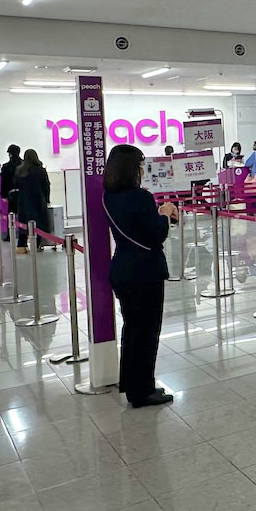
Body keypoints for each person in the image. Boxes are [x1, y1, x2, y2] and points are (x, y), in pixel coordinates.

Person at [103, 144, 178, 408]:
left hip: (122, 269)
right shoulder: (141, 197)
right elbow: (156, 234)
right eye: (140, 166)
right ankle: (143, 391)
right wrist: (165, 214)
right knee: (147, 332)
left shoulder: (108, 197)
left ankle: (132, 386)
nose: (142, 170)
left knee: (132, 330)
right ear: (132, 169)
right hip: (145, 271)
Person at [13, 149, 51, 254]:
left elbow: (15, 184)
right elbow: (46, 186)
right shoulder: (40, 170)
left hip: (23, 200)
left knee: (23, 223)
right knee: (38, 223)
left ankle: (21, 245)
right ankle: (37, 245)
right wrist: (47, 199)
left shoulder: (19, 170)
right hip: (37, 200)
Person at [0, 145, 23, 240]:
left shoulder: (6, 166)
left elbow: (4, 182)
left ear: (9, 154)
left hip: (11, 194)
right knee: (23, 214)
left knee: (11, 215)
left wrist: (3, 194)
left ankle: (10, 235)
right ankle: (23, 234)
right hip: (23, 193)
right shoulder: (24, 164)